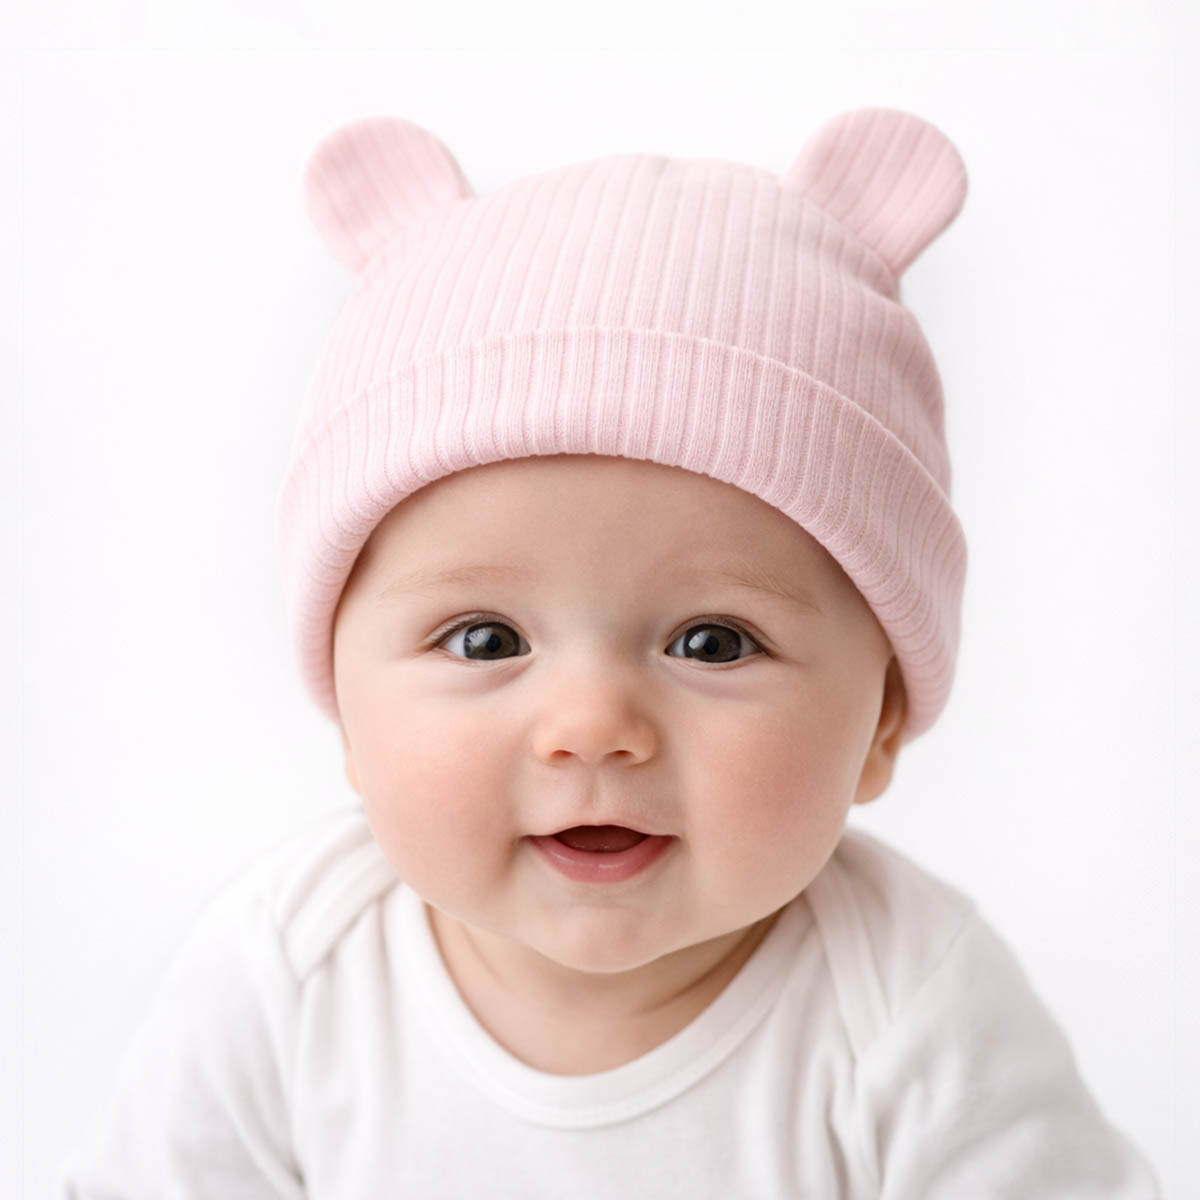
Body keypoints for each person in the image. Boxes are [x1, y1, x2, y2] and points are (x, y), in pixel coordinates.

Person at [58, 106, 1162, 1197]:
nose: (592, 724)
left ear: (878, 719)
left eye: (714, 641)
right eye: (485, 638)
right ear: (346, 710)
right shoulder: (289, 978)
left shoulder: (914, 1008)